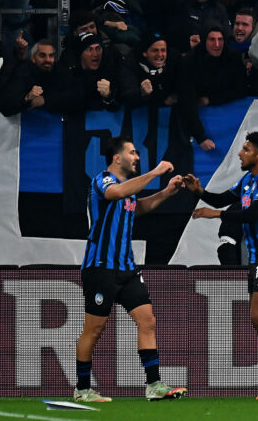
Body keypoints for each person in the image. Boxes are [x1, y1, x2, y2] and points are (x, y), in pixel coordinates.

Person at [74, 138, 187, 403]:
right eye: (132, 152)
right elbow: (115, 194)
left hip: (127, 268)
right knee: (95, 329)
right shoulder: (102, 180)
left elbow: (137, 208)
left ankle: (154, 385)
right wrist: (155, 173)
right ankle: (82, 389)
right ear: (116, 158)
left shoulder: (130, 190)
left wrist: (166, 192)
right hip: (101, 267)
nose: (137, 156)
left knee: (147, 320)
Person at [186, 131, 258, 401]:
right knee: (257, 320)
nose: (240, 153)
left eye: (246, 149)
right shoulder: (248, 180)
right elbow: (223, 198)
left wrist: (217, 215)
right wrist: (200, 192)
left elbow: (256, 212)